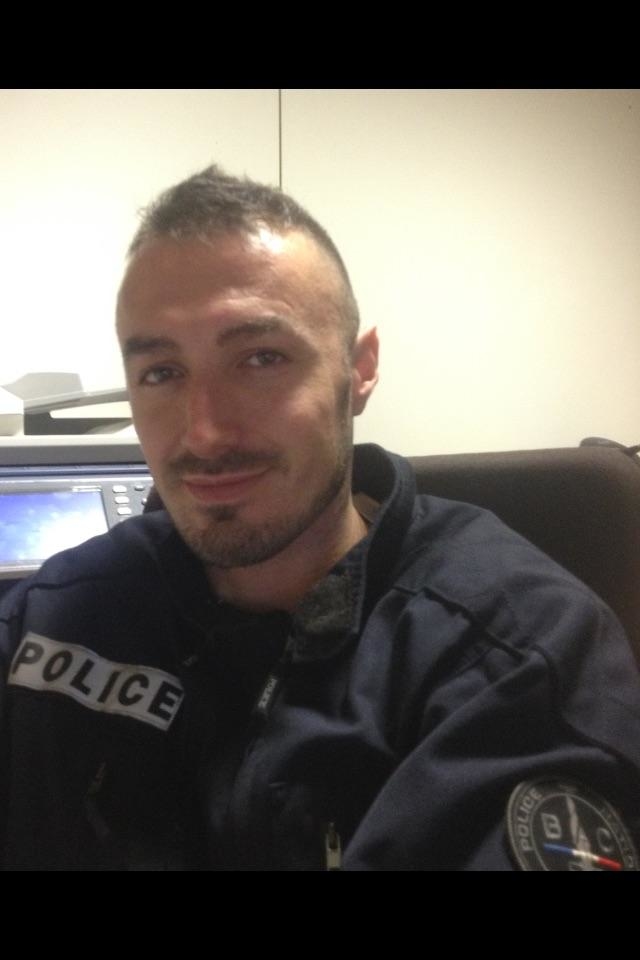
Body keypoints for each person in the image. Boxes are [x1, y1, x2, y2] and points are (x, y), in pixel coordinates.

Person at [1, 165, 640, 871]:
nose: (204, 433)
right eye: (161, 373)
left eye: (261, 358)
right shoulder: (56, 616)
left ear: (358, 369)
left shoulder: (516, 654)